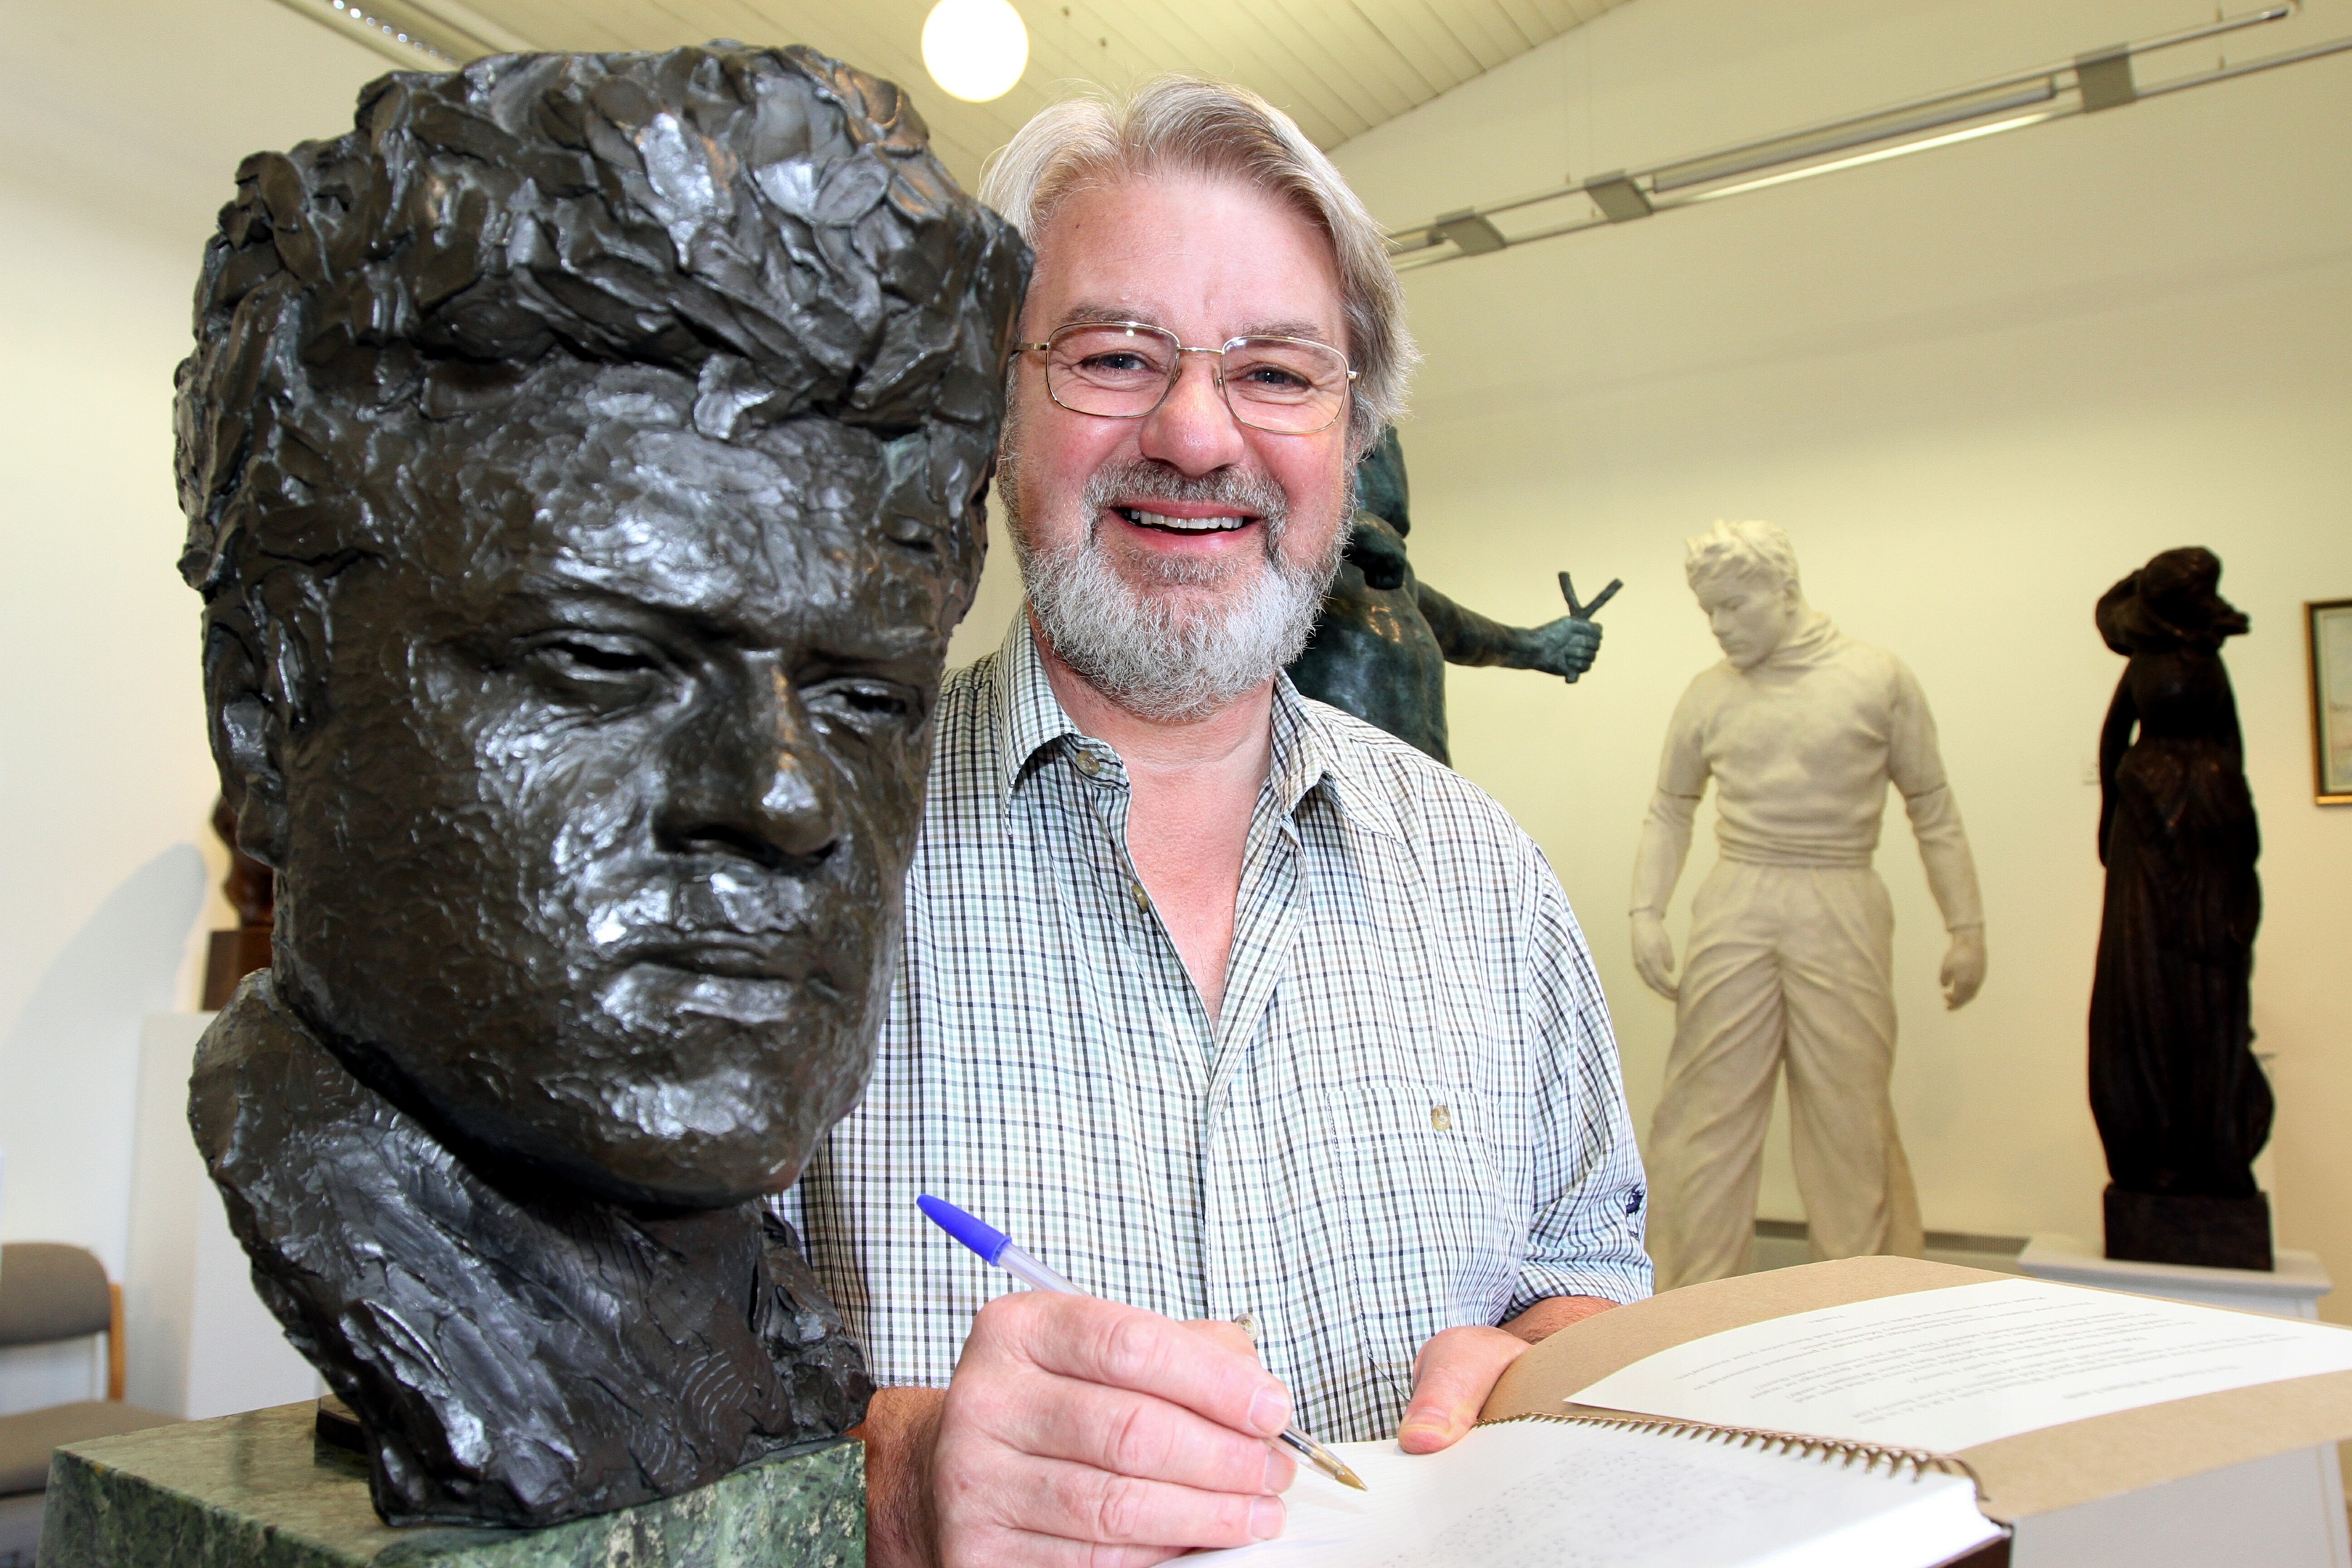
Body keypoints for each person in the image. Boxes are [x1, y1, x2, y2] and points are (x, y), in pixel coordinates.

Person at [781, 78, 1651, 1565]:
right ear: (996, 410)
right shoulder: (787, 863)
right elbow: (599, 1403)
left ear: (1352, 434)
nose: (1195, 435)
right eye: (1116, 356)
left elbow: (1584, 1277)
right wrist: (886, 1481)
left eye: (1276, 373)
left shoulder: (1491, 881)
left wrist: (1550, 1376)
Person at [172, 44, 1028, 1525]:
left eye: (863, 695)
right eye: (597, 663)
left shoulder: (762, 1327)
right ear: (265, 719)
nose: (784, 799)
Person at [1630, 521, 1985, 1293]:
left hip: (1840, 893)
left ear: (1783, 591)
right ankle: (1687, 1301)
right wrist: (1646, 910)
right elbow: (1670, 809)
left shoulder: (1877, 679)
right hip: (1738, 896)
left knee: (1848, 1108)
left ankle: (1864, 1298)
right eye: (1709, 613)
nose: (1722, 627)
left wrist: (1967, 927)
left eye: (1734, 606)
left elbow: (1933, 808)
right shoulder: (1709, 694)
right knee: (1704, 1111)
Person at [1287, 426, 1607, 764]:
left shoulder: (1392, 584)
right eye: (1370, 450)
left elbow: (1458, 630)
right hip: (1326, 798)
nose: (1386, 465)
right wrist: (1346, 526)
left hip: (1423, 798)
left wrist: (1538, 646)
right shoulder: (1285, 570)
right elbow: (1251, 515)